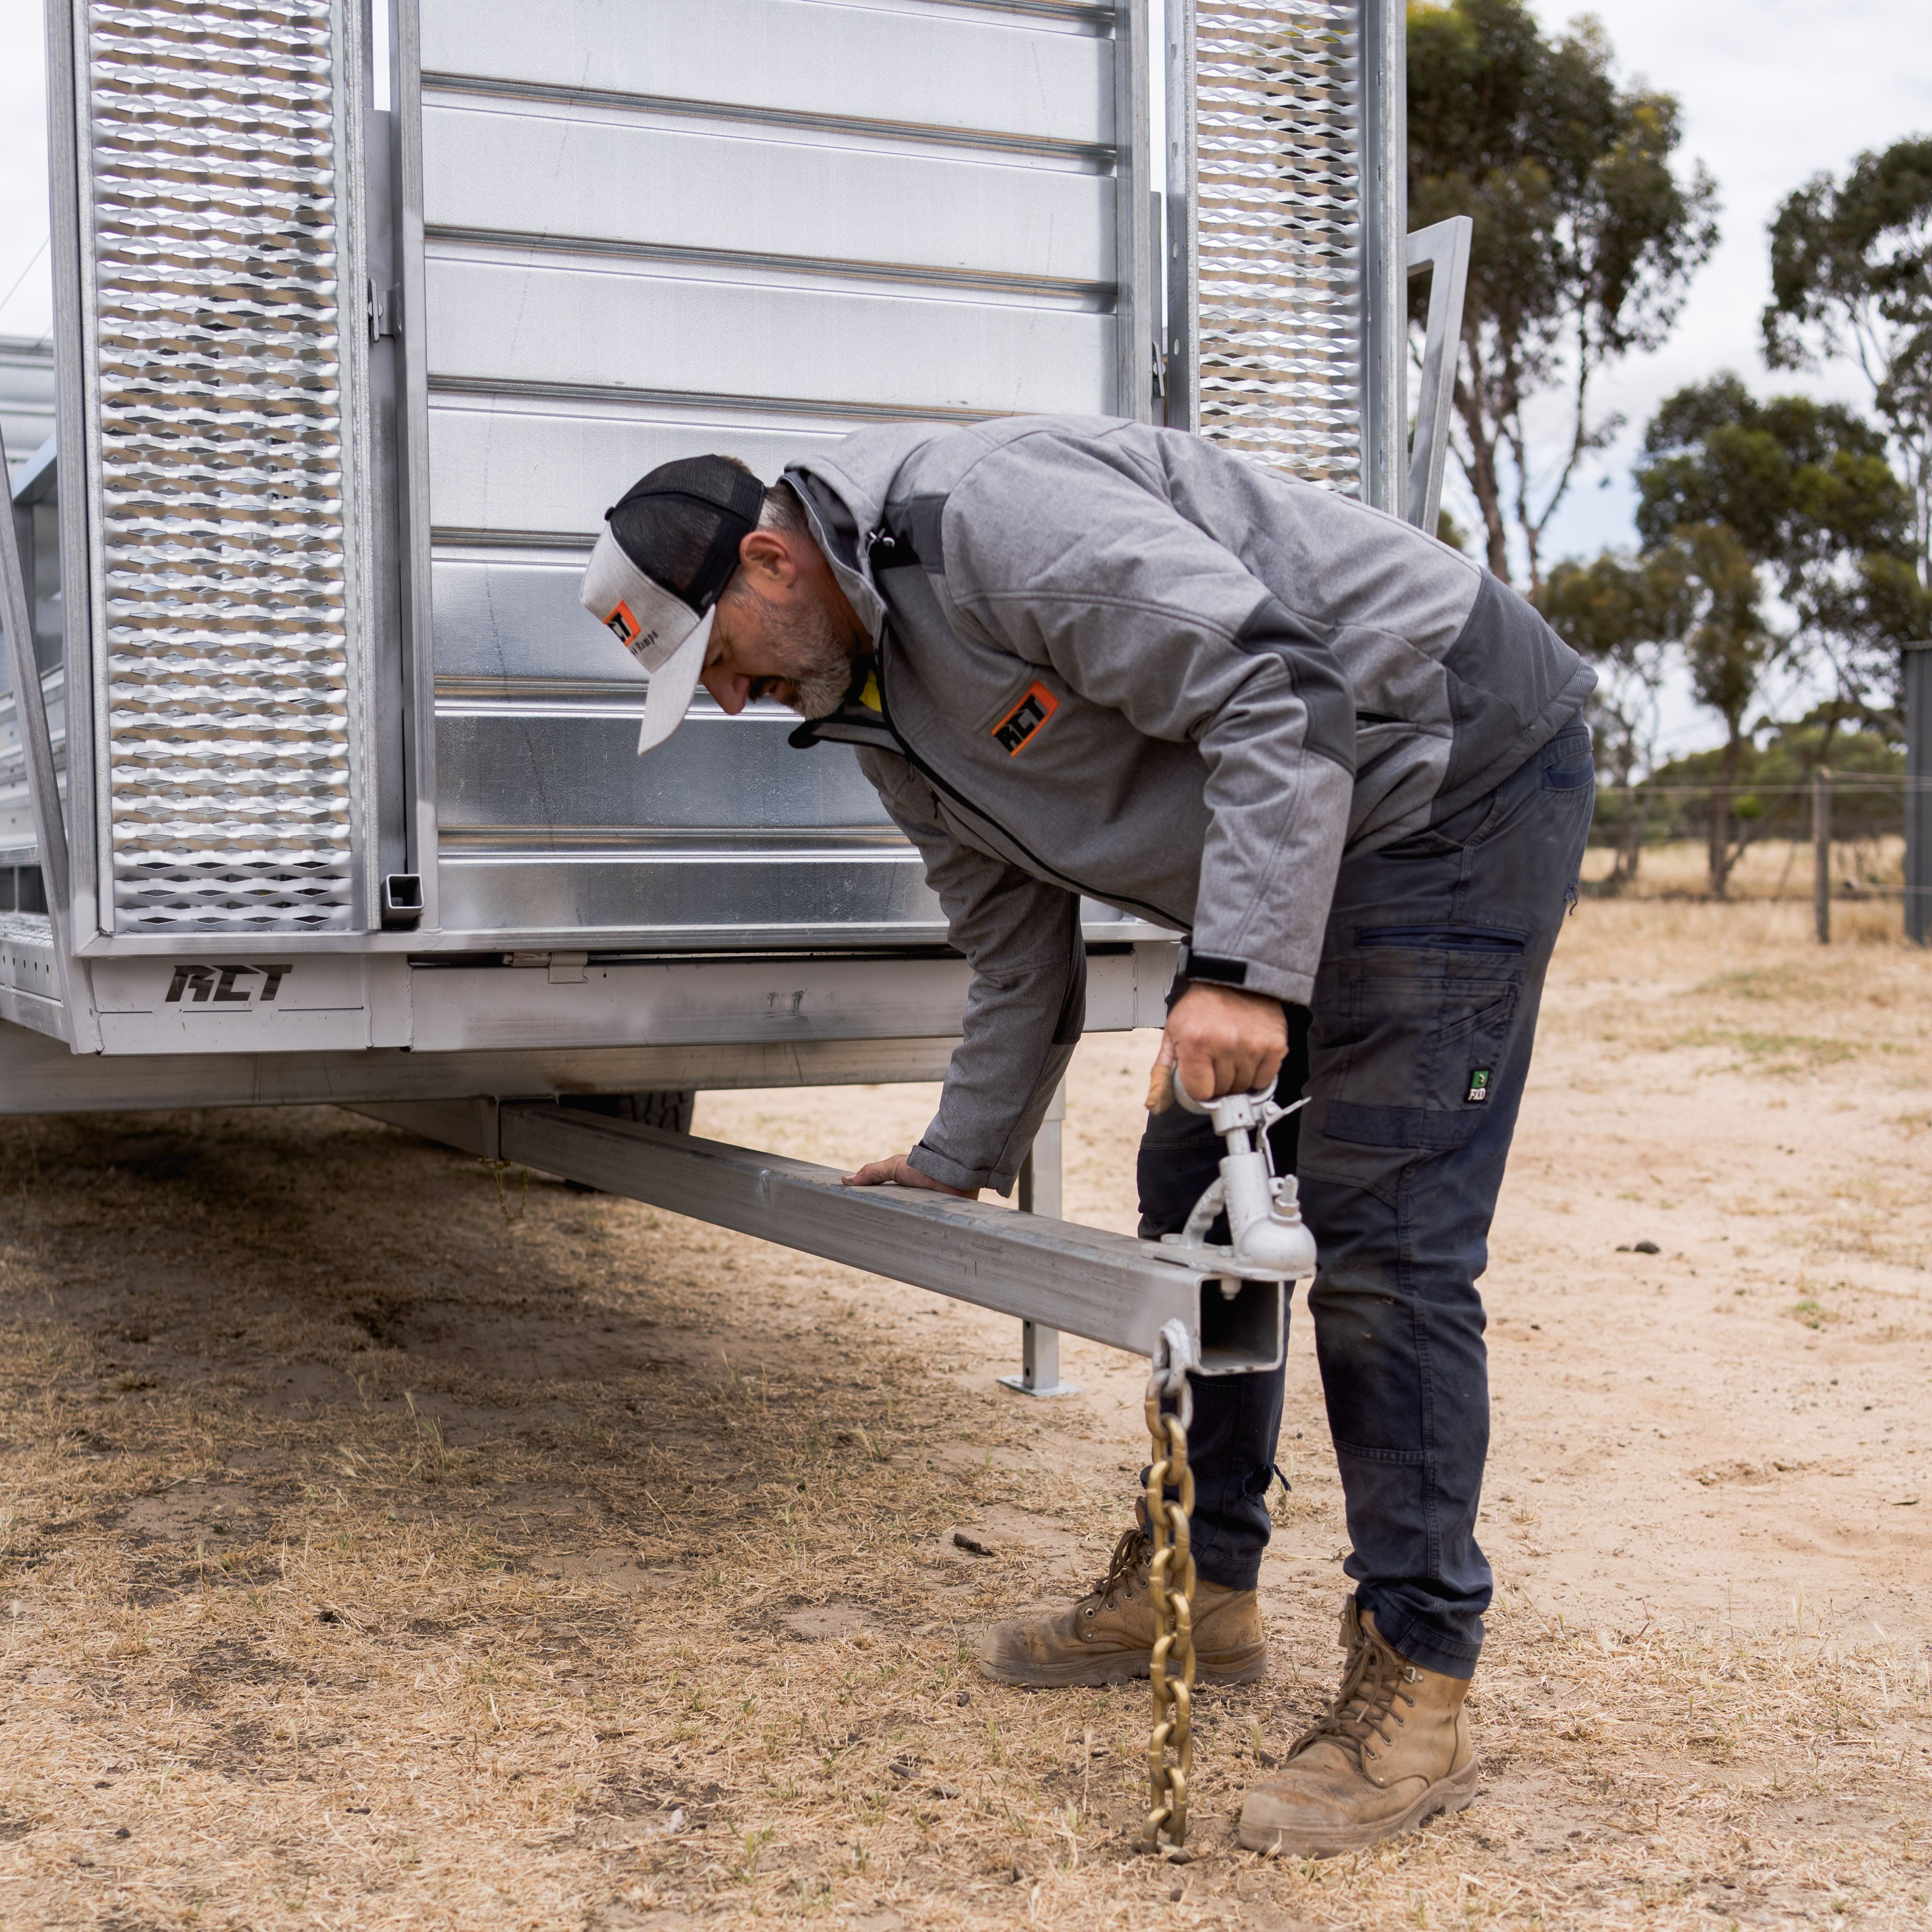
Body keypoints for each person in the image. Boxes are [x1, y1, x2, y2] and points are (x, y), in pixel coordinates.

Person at [577, 419, 1594, 1857]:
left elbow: (1277, 681)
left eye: (720, 659)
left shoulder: (989, 521)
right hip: (1315, 813)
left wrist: (1238, 970)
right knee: (1193, 1184)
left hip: (1449, 769)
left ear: (769, 557)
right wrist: (955, 1157)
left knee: (1384, 1229)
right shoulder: (875, 708)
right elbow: (1017, 956)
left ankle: (1417, 1676)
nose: (732, 700)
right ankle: (1204, 1585)